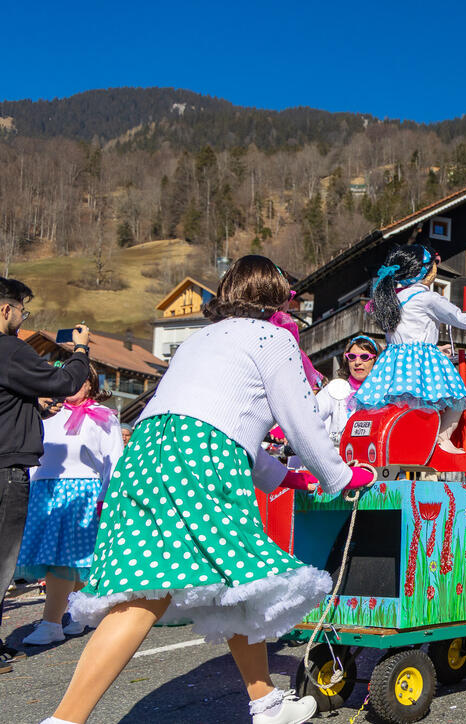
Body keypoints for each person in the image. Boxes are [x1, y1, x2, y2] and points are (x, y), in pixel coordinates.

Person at [47, 256, 375, 724]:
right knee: (150, 593)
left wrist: (284, 477)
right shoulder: (272, 338)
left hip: (147, 454)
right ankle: (64, 719)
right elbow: (299, 421)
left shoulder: (199, 339)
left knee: (236, 580)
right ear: (277, 296)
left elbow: (216, 417)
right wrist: (340, 476)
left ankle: (265, 702)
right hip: (200, 459)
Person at [1, 279, 93, 676]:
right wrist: (80, 350)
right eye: (22, 311)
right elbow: (64, 382)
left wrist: (32, 408)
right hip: (5, 469)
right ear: (6, 310)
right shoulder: (9, 348)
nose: (23, 319)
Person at [354, 244, 466, 453]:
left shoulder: (391, 299)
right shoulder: (427, 297)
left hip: (393, 362)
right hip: (421, 360)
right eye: (435, 263)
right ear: (426, 270)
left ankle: (405, 444)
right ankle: (442, 439)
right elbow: (463, 320)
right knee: (456, 397)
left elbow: (406, 333)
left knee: (402, 407)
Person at [18, 365, 124, 645]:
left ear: (91, 385)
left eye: (81, 380)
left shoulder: (103, 417)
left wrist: (107, 498)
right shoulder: (45, 414)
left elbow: (114, 461)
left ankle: (51, 623)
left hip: (80, 492)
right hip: (44, 492)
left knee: (62, 559)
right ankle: (77, 613)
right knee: (65, 560)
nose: (74, 385)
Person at [315, 334, 381, 442]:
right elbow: (310, 418)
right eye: (352, 357)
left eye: (364, 357)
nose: (357, 362)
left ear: (376, 360)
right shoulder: (336, 388)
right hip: (338, 452)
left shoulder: (385, 393)